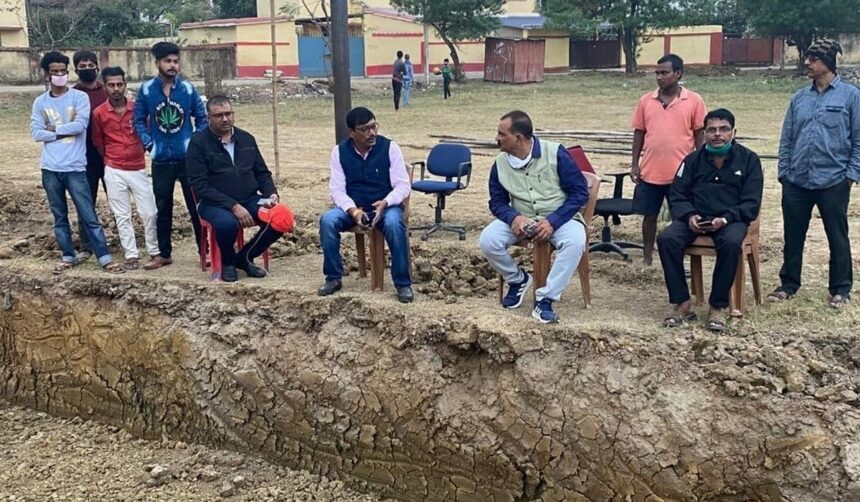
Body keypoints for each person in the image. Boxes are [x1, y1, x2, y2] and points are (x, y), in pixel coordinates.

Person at [770, 38, 860, 309]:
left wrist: (850, 176)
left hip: (834, 180)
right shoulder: (799, 98)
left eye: (813, 59)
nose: (807, 63)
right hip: (797, 180)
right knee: (793, 235)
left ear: (829, 62)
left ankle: (840, 289)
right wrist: (784, 173)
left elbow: (858, 140)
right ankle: (788, 284)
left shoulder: (851, 96)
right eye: (807, 58)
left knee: (837, 236)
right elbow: (787, 138)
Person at [657, 109, 763, 331]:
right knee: (667, 239)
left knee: (731, 243)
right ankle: (682, 303)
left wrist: (726, 219)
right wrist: (689, 216)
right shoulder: (692, 160)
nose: (717, 134)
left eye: (724, 129)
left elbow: (751, 203)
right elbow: (677, 194)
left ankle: (717, 307)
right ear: (704, 133)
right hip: (696, 218)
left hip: (731, 220)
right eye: (712, 130)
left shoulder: (749, 160)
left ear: (734, 132)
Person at [479, 110, 589, 323]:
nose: (496, 138)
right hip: (523, 218)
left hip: (560, 217)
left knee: (575, 241)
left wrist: (553, 221)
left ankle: (545, 299)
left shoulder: (555, 153)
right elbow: (497, 202)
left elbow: (579, 193)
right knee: (488, 240)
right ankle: (517, 279)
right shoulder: (500, 164)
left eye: (502, 134)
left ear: (518, 138)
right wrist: (514, 218)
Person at [30, 51, 124, 275]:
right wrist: (62, 130)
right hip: (50, 168)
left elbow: (80, 126)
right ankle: (68, 256)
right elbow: (36, 133)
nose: (59, 75)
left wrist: (52, 129)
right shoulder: (40, 102)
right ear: (46, 74)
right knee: (59, 216)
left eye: (62, 71)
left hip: (76, 167)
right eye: (54, 72)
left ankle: (104, 256)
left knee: (88, 214)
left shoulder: (79, 97)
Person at [187, 96, 291, 283]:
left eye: (228, 114)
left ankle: (245, 257)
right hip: (213, 204)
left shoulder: (246, 139)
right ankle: (228, 262)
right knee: (227, 223)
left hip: (249, 199)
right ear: (209, 117)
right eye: (219, 115)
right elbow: (200, 185)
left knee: (282, 217)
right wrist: (234, 206)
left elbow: (262, 173)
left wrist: (271, 194)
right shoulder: (198, 143)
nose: (225, 119)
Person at [318, 107, 413, 302]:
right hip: (355, 207)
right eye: (365, 129)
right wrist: (353, 211)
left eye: (374, 126)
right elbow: (337, 190)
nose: (372, 133)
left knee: (394, 224)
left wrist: (386, 202)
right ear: (352, 132)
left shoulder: (390, 148)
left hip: (386, 206)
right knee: (328, 220)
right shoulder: (339, 152)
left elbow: (403, 185)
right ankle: (333, 277)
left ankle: (403, 284)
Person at [133, 41, 207, 270]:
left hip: (188, 160)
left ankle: (205, 253)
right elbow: (138, 120)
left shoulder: (187, 89)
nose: (172, 65)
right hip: (161, 160)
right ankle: (163, 254)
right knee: (162, 209)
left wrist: (194, 144)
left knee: (197, 207)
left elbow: (202, 118)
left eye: (175, 61)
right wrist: (149, 145)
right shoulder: (147, 90)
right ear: (157, 63)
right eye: (167, 61)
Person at [630, 54, 707, 266]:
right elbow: (639, 133)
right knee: (649, 217)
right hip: (651, 171)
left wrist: (700, 165)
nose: (659, 77)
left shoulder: (694, 101)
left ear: (678, 73)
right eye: (657, 73)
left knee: (681, 219)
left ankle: (678, 260)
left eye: (664, 73)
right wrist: (635, 164)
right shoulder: (646, 101)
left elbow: (699, 134)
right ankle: (647, 257)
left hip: (681, 174)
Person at [91, 66, 160, 271]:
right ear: (105, 86)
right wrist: (111, 159)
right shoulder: (99, 113)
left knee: (149, 212)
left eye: (119, 84)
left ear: (125, 85)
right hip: (114, 169)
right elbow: (98, 142)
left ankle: (154, 250)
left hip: (138, 168)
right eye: (111, 85)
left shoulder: (138, 109)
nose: (116, 89)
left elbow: (148, 134)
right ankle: (131, 255)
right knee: (122, 215)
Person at [72, 50, 109, 260]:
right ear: (76, 69)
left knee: (117, 201)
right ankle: (87, 246)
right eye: (82, 66)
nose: (87, 69)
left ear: (97, 66)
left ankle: (127, 242)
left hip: (108, 156)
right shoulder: (73, 94)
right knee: (85, 203)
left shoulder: (107, 91)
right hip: (83, 158)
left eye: (90, 65)